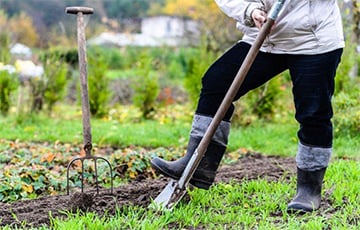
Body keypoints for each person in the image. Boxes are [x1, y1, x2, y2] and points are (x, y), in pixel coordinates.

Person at [151, 0, 344, 213]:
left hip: (313, 41)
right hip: (264, 37)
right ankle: (199, 164)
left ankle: (309, 189)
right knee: (218, 83)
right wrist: (250, 10)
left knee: (313, 112)